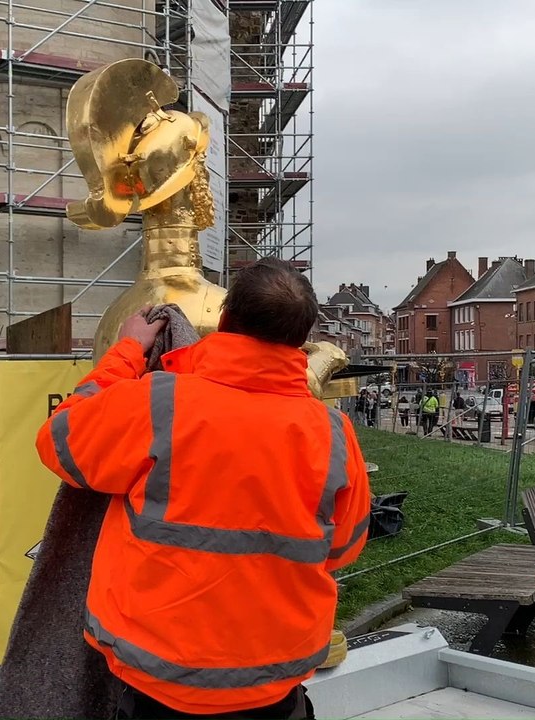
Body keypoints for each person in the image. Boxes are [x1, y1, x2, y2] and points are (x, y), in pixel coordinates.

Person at [35, 258, 372, 720]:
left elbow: (60, 442)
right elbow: (344, 547)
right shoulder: (334, 432)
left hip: (159, 677)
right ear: (300, 339)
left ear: (225, 319)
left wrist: (127, 351)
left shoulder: (160, 402)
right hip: (274, 681)